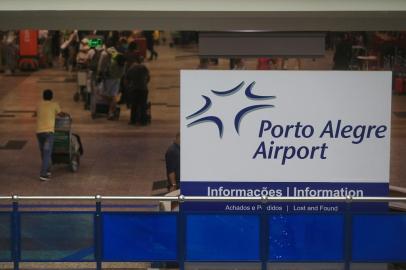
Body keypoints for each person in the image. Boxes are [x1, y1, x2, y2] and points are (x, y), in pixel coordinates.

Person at [36, 89, 64, 181]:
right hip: (48, 133)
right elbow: (61, 114)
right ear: (51, 97)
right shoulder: (54, 105)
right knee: (47, 153)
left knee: (43, 153)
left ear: (43, 96)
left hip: (39, 133)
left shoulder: (39, 105)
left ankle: (47, 170)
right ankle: (43, 174)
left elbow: (36, 113)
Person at [97, 39, 125, 120]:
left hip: (109, 78)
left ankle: (111, 109)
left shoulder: (105, 54)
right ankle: (111, 111)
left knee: (102, 94)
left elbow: (101, 66)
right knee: (113, 95)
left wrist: (99, 74)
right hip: (117, 77)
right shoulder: (117, 54)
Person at [125, 57, 150, 125]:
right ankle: (143, 121)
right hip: (143, 89)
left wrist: (128, 86)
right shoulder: (144, 68)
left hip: (134, 89)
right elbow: (148, 78)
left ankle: (133, 121)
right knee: (143, 105)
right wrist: (144, 83)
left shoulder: (131, 68)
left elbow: (127, 78)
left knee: (134, 106)